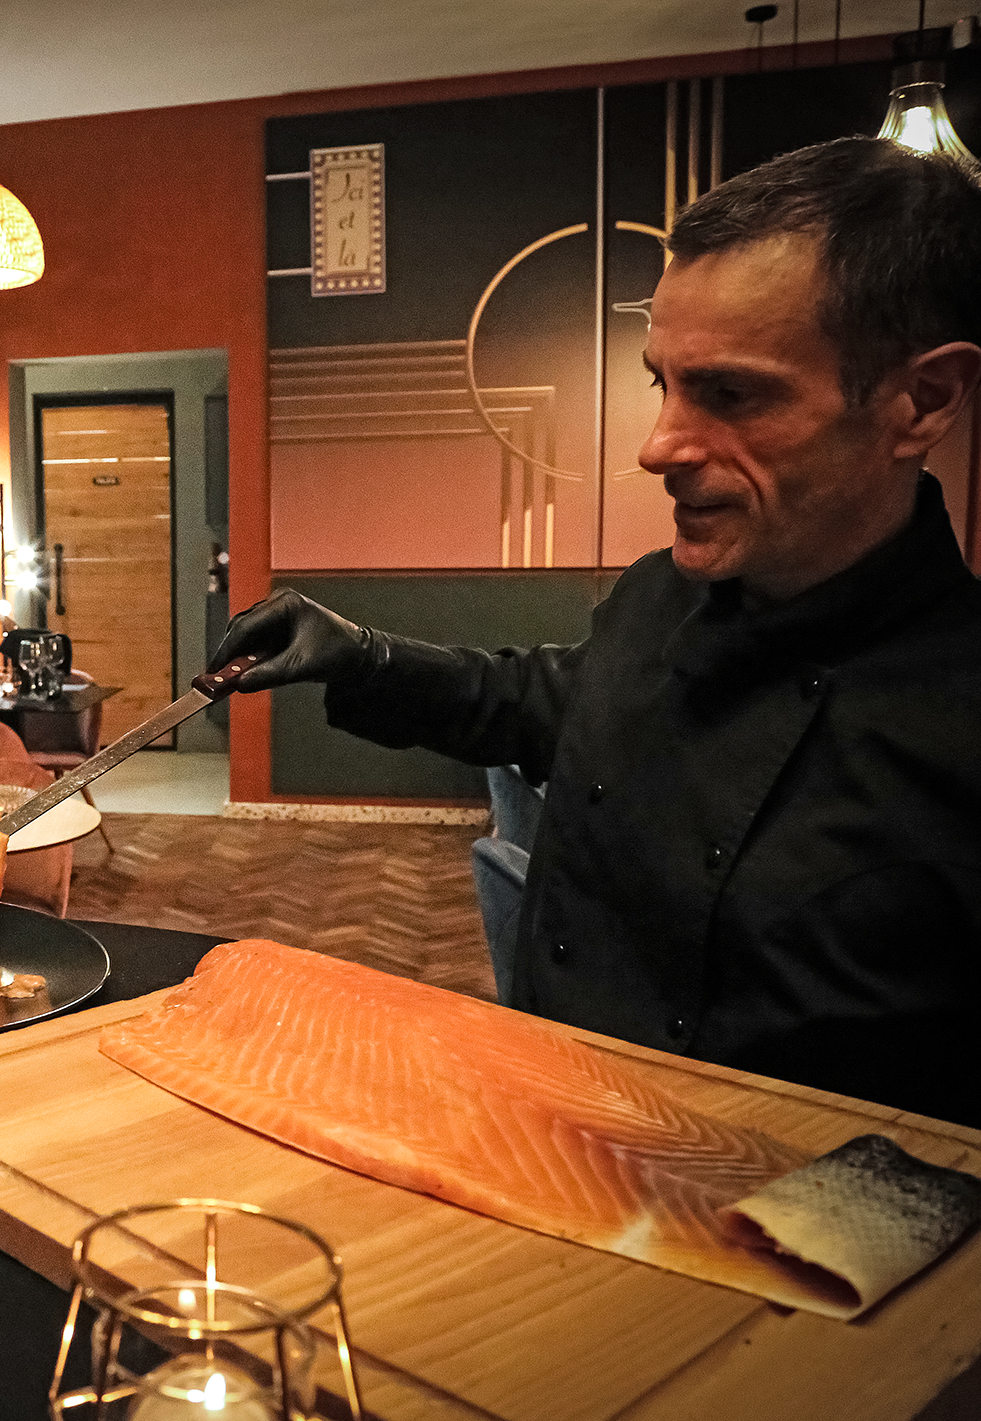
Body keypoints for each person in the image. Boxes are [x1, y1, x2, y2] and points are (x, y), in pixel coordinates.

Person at [211, 136, 981, 1126]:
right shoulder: (657, 595)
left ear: (921, 401)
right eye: (663, 383)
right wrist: (363, 654)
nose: (657, 446)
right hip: (541, 1129)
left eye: (730, 393)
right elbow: (540, 701)